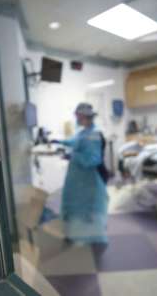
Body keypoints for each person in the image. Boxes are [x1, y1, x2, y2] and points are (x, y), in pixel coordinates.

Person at [52, 103, 109, 245]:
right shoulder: (84, 131)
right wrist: (59, 141)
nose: (76, 118)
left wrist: (71, 156)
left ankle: (84, 237)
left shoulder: (93, 135)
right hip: (77, 179)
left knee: (83, 208)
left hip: (87, 180)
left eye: (77, 115)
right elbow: (75, 142)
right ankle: (73, 234)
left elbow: (93, 160)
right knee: (73, 204)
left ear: (84, 116)